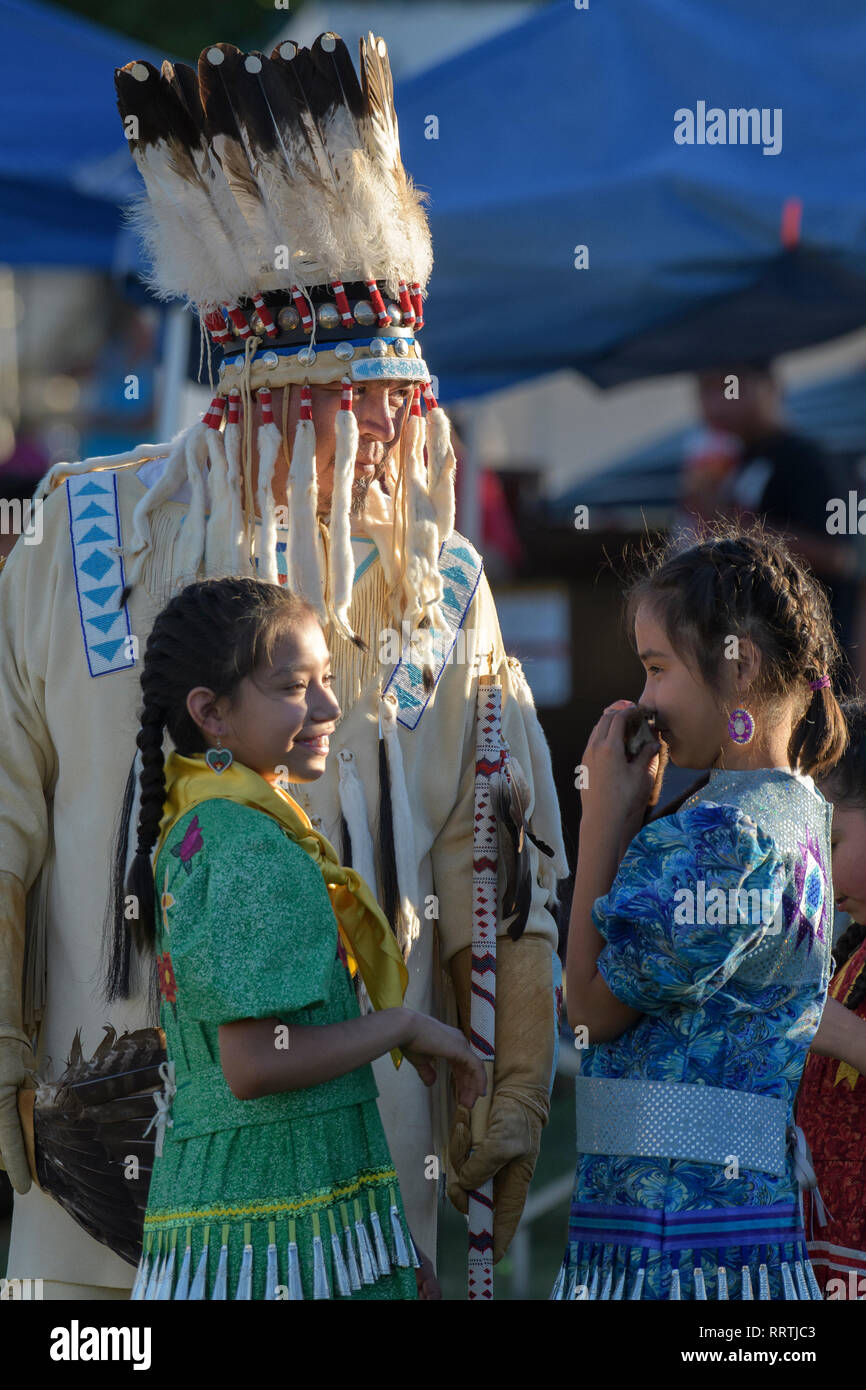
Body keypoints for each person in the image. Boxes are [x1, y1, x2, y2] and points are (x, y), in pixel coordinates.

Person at [0, 34, 567, 1298]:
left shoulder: (440, 588)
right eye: (359, 399)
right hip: (109, 1178)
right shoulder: (80, 538)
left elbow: (497, 856)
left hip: (358, 1184)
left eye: (403, 402)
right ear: (265, 389)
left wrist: (512, 1074)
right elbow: (1, 814)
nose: (392, 438)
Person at [107, 576, 484, 1300]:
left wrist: (390, 1250)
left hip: (258, 1216)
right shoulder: (248, 844)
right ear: (210, 713)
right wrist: (401, 1023)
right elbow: (252, 1064)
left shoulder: (211, 824)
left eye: (328, 680)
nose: (329, 707)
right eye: (293, 687)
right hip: (277, 1230)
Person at [554, 525, 854, 1301]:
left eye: (658, 669)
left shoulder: (727, 838)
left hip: (676, 1256)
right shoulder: (793, 817)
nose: (645, 699)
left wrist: (603, 821)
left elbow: (588, 1010)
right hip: (730, 1244)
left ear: (739, 663)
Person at [695, 362, 858, 656]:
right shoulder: (733, 462)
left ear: (769, 386)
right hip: (756, 653)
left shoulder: (807, 460)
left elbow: (841, 556)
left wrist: (738, 533)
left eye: (728, 386)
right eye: (706, 390)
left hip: (814, 656)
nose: (717, 403)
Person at [796, 698, 866, 1299]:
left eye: (831, 837)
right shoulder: (848, 957)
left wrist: (824, 1023)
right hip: (825, 1266)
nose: (814, 864)